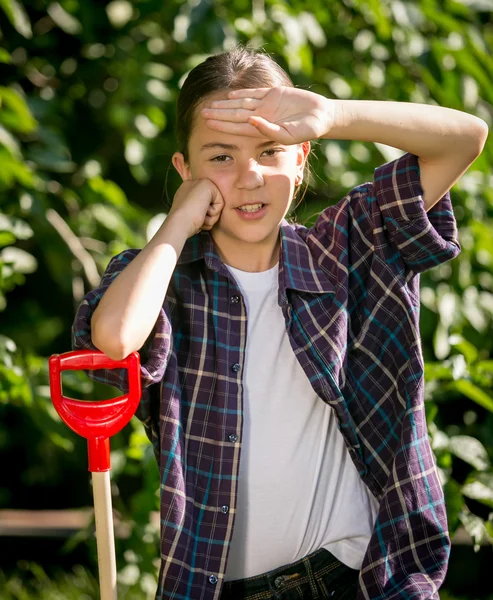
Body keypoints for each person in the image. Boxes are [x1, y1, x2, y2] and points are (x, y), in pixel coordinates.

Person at [73, 44, 488, 600]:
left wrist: (335, 114)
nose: (249, 177)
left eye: (270, 151)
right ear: (185, 169)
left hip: (358, 576)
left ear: (300, 159)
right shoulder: (163, 277)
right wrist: (177, 223)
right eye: (220, 157)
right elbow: (115, 338)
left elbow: (465, 137)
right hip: (220, 588)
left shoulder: (347, 245)